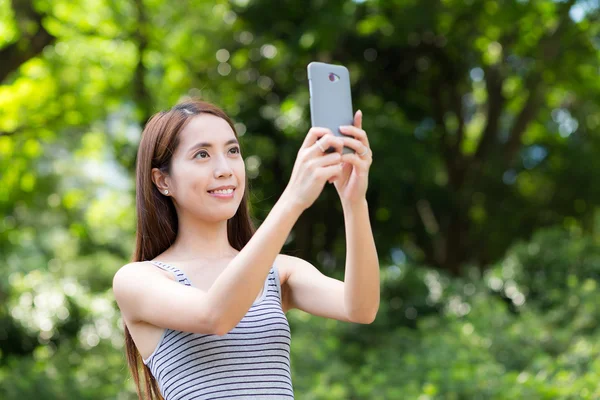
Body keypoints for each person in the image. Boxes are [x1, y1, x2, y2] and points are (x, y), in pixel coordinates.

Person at [112, 98, 380, 400]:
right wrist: (293, 199)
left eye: (232, 151)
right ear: (162, 180)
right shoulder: (138, 279)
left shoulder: (278, 272)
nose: (225, 169)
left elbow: (361, 308)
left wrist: (355, 202)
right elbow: (215, 315)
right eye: (202, 154)